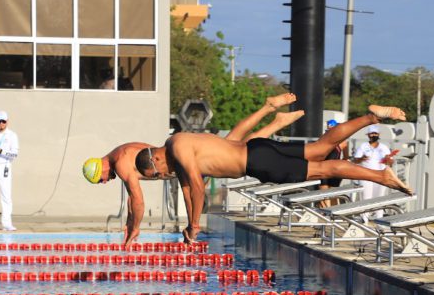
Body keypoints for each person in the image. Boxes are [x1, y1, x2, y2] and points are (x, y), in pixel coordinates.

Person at [133, 104, 412, 244]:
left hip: (258, 163)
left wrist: (194, 225)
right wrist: (189, 222)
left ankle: (381, 176)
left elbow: (195, 186)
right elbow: (185, 189)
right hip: (257, 147)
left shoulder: (179, 151)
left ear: (156, 158)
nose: (162, 177)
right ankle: (371, 117)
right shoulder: (178, 143)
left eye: (157, 174)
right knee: (321, 147)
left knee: (326, 168)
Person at [82, 93, 305, 248]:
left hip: (184, 164)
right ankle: (270, 112)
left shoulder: (120, 163)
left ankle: (274, 119)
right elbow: (132, 202)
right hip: (181, 160)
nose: (104, 182)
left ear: (98, 169)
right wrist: (131, 223)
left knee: (240, 158)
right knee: (235, 143)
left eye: (99, 180)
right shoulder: (121, 151)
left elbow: (137, 201)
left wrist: (135, 229)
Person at [317, 119, 349, 208]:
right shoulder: (324, 139)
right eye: (328, 131)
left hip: (330, 168)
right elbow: (346, 157)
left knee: (331, 193)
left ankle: (332, 212)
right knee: (325, 193)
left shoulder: (342, 142)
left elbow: (346, 157)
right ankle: (327, 212)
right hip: (327, 168)